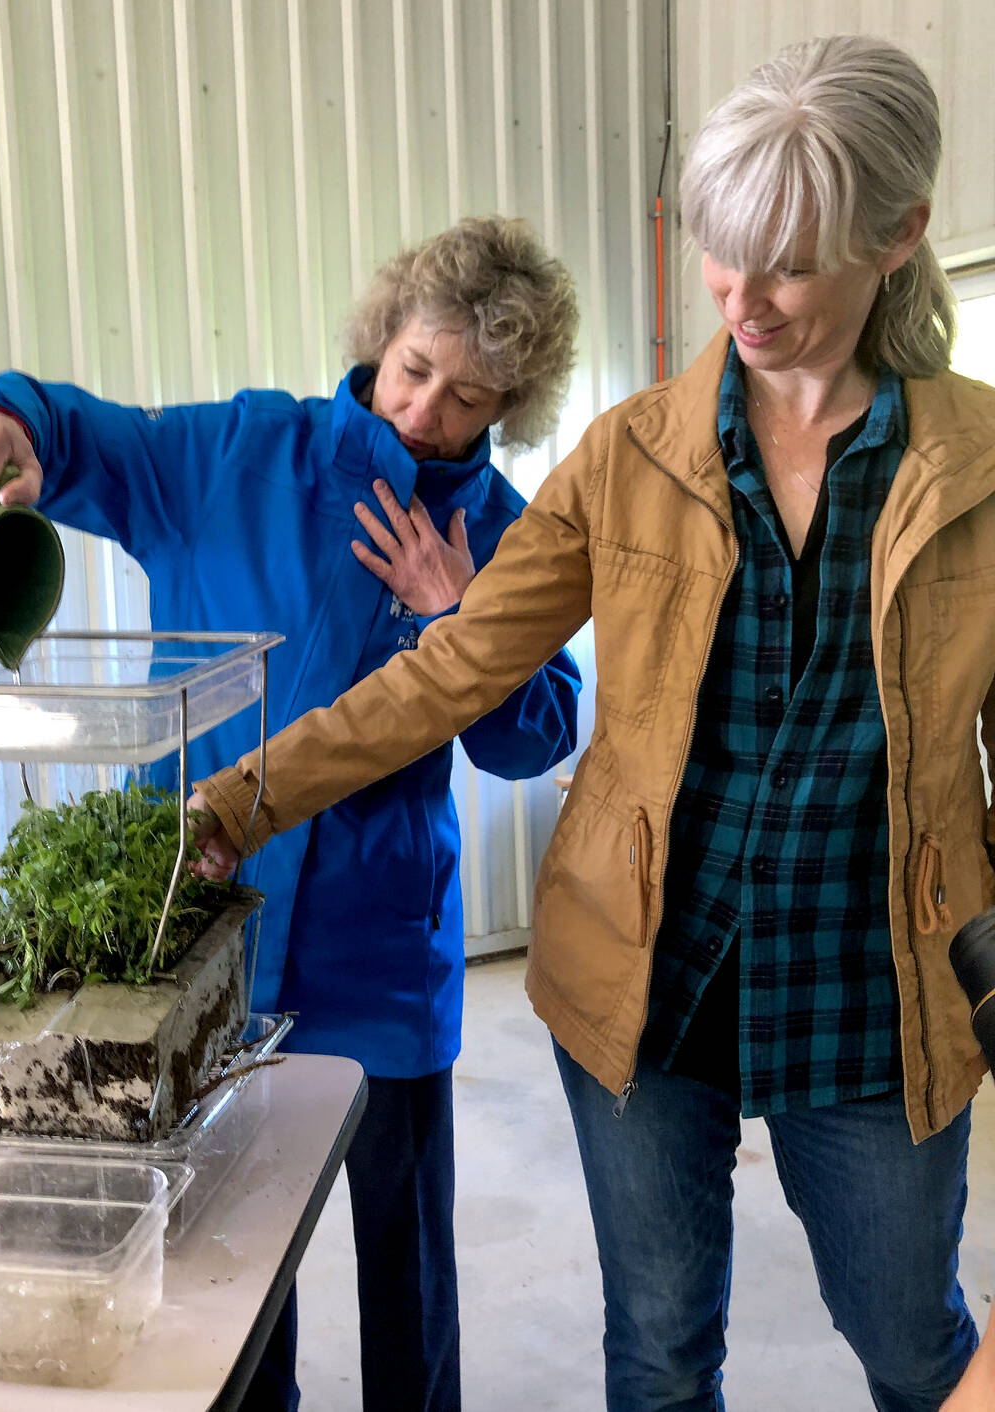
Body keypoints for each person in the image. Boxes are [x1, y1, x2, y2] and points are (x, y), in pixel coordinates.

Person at [187, 35, 995, 1412]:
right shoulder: (628, 458)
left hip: (877, 990)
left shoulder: (975, 466)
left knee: (916, 1345)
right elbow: (448, 677)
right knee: (662, 1349)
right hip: (642, 978)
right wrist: (236, 800)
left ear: (902, 236)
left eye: (790, 264)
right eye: (722, 257)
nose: (744, 301)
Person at [0, 216, 582, 1412]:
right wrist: (7, 417)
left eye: (470, 397)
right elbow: (81, 439)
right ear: (382, 333)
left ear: (509, 409)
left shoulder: (506, 531)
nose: (426, 411)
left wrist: (460, 610)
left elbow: (538, 735)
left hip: (383, 950)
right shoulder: (237, 452)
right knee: (229, 1251)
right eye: (417, 367)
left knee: (407, 1252)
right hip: (200, 930)